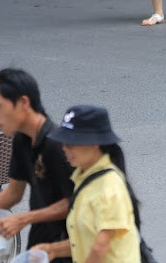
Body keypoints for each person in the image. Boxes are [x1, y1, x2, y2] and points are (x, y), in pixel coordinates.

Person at [0, 69, 74, 259]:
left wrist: (23, 218)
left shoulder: (56, 146)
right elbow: (14, 193)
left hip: (70, 244)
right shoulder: (22, 140)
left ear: (23, 102)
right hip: (41, 241)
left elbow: (74, 203)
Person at [31, 105, 141, 263]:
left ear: (94, 144)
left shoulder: (109, 186)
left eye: (71, 143)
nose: (64, 149)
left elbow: (100, 248)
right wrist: (51, 250)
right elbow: (85, 242)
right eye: (63, 142)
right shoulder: (83, 179)